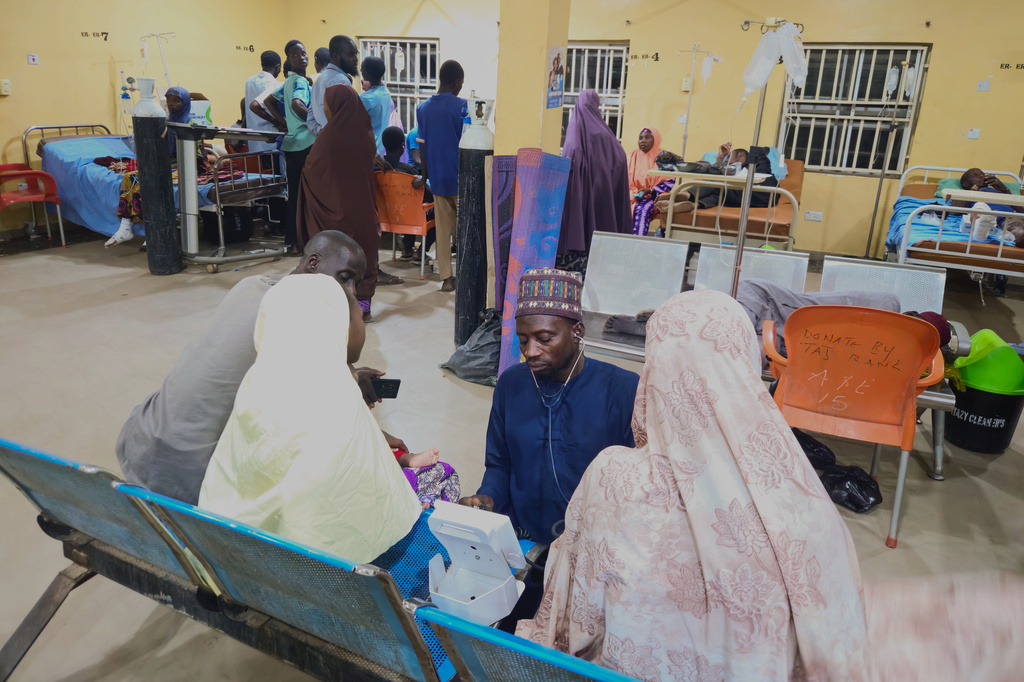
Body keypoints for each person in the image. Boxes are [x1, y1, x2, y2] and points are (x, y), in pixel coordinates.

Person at [518, 289, 1024, 681]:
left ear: (655, 371)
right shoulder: (797, 502)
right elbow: (827, 612)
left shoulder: (610, 475)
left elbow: (572, 617)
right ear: (743, 367)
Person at [116, 232, 403, 504]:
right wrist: (382, 449)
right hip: (190, 480)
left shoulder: (253, 284)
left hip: (141, 441)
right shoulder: (302, 310)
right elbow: (347, 365)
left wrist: (349, 375)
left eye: (355, 284)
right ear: (313, 264)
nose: (349, 291)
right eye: (345, 278)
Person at [198, 274, 425, 564]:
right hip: (324, 570)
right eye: (355, 314)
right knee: (438, 475)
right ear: (336, 324)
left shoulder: (256, 384)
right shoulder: (337, 391)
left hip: (234, 556)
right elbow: (373, 499)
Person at [459, 268, 639, 628]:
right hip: (523, 549)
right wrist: (486, 501)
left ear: (577, 331)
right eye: (523, 340)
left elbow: (633, 492)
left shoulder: (622, 390)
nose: (530, 352)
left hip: (589, 556)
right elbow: (499, 465)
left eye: (544, 338)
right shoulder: (512, 385)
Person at [297, 84, 401, 322]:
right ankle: (362, 307)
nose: (324, 108)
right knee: (365, 253)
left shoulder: (329, 137)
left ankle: (334, 307)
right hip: (362, 210)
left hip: (333, 209)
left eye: (326, 104)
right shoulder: (364, 134)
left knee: (333, 255)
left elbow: (312, 170)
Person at [104, 86, 197, 247]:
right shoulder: (165, 123)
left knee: (149, 181)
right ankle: (125, 227)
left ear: (185, 102)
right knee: (129, 177)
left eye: (176, 100)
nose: (171, 103)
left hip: (184, 167)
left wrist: (163, 164)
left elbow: (196, 156)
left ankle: (154, 231)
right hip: (164, 166)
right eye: (168, 100)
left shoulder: (191, 125)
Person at [558, 89, 631, 273]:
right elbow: (621, 158)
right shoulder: (606, 135)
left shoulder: (574, 133)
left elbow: (568, 161)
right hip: (603, 198)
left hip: (580, 200)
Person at [416, 59, 467, 292]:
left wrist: (425, 177)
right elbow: (467, 146)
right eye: (461, 83)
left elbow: (423, 148)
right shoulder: (462, 106)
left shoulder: (423, 109)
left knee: (443, 232)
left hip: (437, 180)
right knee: (465, 230)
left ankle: (447, 279)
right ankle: (466, 275)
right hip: (461, 179)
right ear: (456, 82)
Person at [267, 40, 316, 253]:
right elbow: (297, 104)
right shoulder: (300, 83)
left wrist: (283, 121)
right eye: (296, 55)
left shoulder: (288, 81)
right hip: (305, 143)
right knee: (309, 194)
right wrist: (314, 123)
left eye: (304, 53)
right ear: (288, 59)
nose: (302, 57)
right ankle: (306, 241)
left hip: (290, 144)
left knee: (295, 194)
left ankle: (292, 242)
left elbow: (267, 101)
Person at [381, 126, 436, 262]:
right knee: (437, 209)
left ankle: (407, 249)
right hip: (409, 216)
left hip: (386, 215)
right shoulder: (408, 171)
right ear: (402, 147)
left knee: (408, 207)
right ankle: (421, 251)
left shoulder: (376, 168)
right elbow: (428, 195)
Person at [307, 34, 358, 137]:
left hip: (325, 141)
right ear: (335, 56)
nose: (356, 59)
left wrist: (320, 131)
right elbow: (345, 122)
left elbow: (310, 119)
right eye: (350, 55)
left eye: (356, 54)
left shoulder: (319, 79)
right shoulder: (340, 81)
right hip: (337, 143)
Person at [244, 51, 282, 152]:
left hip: (254, 139)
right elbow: (254, 106)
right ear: (278, 67)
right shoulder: (275, 85)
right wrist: (276, 122)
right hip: (271, 140)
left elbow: (245, 102)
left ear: (262, 64)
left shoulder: (249, 81)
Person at [359, 56, 393, 156]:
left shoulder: (365, 98)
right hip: (379, 150)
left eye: (362, 68)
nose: (360, 70)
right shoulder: (386, 93)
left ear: (366, 73)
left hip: (366, 150)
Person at [628, 127, 663, 203]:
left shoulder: (663, 158)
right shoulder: (631, 156)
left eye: (647, 137)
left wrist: (650, 190)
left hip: (654, 198)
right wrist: (634, 193)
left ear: (655, 140)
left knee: (643, 209)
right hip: (630, 196)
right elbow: (624, 180)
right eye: (640, 138)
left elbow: (668, 182)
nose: (643, 141)